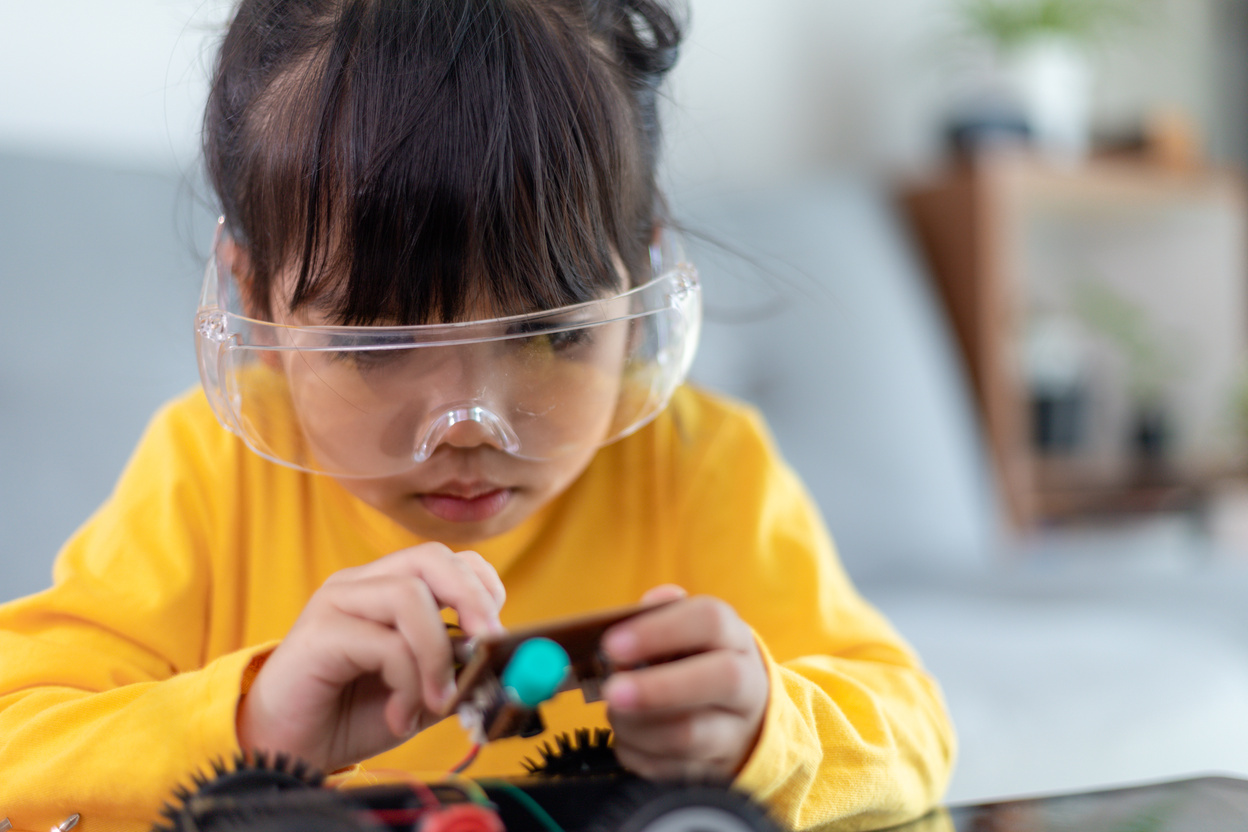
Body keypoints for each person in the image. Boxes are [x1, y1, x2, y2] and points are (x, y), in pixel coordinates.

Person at [0, 1, 954, 830]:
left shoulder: (700, 465)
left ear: (643, 273)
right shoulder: (205, 473)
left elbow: (910, 727)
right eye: (374, 344)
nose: (467, 424)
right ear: (254, 302)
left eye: (552, 337)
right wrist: (254, 727)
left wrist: (764, 733)